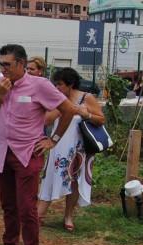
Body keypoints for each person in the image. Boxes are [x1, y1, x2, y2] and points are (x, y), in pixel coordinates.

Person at [0, 44, 79, 245]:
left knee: (27, 207)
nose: (2, 69)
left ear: (21, 64)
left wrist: (52, 140)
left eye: (7, 64)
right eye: (0, 64)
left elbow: (67, 110)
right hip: (2, 152)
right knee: (8, 205)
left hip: (27, 153)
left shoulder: (39, 85)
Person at [37, 68, 105, 231]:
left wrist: (85, 114)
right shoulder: (57, 99)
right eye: (55, 84)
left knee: (74, 181)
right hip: (57, 145)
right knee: (49, 177)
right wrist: (63, 110)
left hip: (78, 148)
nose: (57, 88)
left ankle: (68, 216)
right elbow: (46, 120)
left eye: (60, 84)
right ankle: (39, 214)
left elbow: (101, 119)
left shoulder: (86, 98)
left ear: (71, 84)